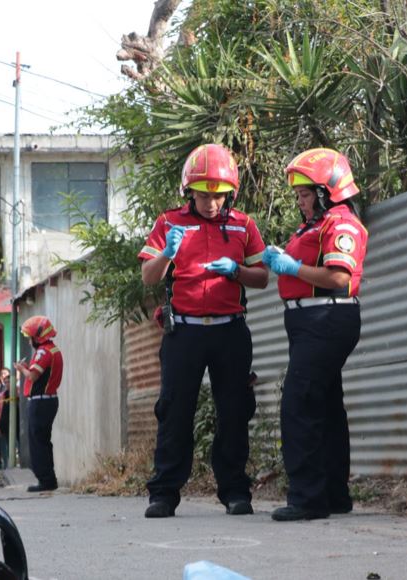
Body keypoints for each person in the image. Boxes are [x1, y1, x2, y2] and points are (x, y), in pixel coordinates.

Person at [138, 143, 268, 518]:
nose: (211, 203)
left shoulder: (243, 225)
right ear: (188, 191)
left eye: (218, 195)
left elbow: (261, 278)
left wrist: (237, 272)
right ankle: (163, 493)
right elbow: (148, 276)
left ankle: (234, 492)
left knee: (234, 411)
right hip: (185, 333)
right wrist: (167, 255)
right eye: (203, 195)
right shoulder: (168, 223)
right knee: (174, 411)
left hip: (230, 331)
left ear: (230, 194)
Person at [261, 148, 367, 522]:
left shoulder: (342, 225)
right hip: (310, 322)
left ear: (327, 191)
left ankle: (307, 498)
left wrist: (292, 266)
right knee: (325, 406)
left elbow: (338, 279)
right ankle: (334, 494)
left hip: (327, 319)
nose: (300, 201)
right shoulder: (314, 225)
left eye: (306, 194)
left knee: (300, 403)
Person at [13, 315, 64, 493]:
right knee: (43, 440)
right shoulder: (54, 350)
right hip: (48, 401)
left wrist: (21, 369)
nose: (29, 342)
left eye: (30, 338)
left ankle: (45, 480)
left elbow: (33, 376)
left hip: (40, 402)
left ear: (37, 337)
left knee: (38, 442)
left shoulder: (43, 352)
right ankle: (49, 478)